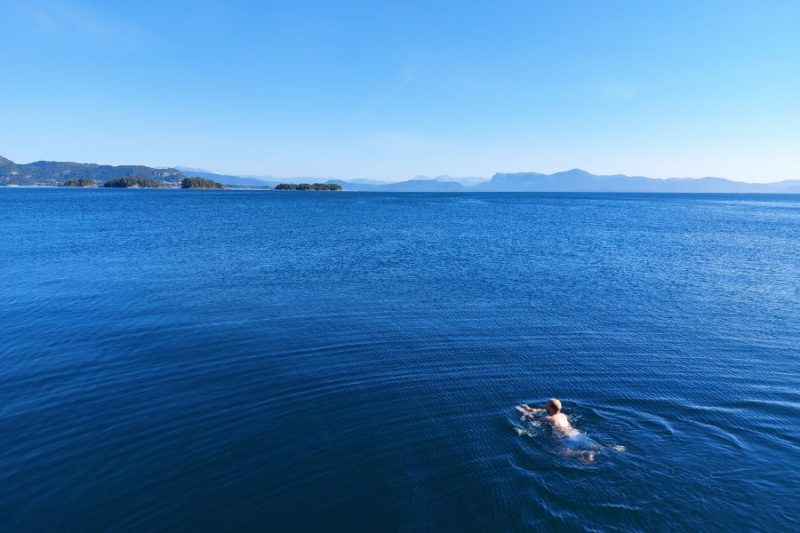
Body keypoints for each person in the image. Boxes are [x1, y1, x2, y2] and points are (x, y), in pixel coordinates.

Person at [515, 398, 599, 462]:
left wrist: (523, 411)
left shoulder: (549, 418)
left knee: (560, 452)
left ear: (551, 409)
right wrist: (530, 409)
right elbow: (544, 410)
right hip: (577, 434)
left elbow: (534, 419)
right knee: (594, 445)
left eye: (546, 405)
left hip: (567, 438)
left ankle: (582, 453)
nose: (545, 406)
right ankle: (606, 448)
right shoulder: (562, 415)